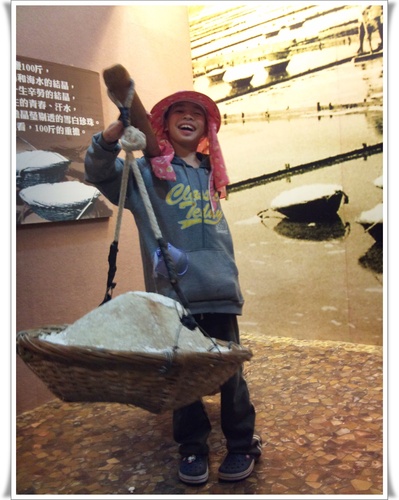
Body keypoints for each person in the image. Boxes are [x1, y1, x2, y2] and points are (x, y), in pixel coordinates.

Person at [84, 86, 262, 485]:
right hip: (173, 295)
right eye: (178, 111)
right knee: (181, 377)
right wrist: (112, 135)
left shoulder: (210, 170)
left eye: (196, 113)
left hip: (219, 291)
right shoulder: (147, 172)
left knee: (230, 374)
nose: (187, 116)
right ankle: (193, 448)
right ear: (162, 124)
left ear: (206, 128)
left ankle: (242, 444)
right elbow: (97, 172)